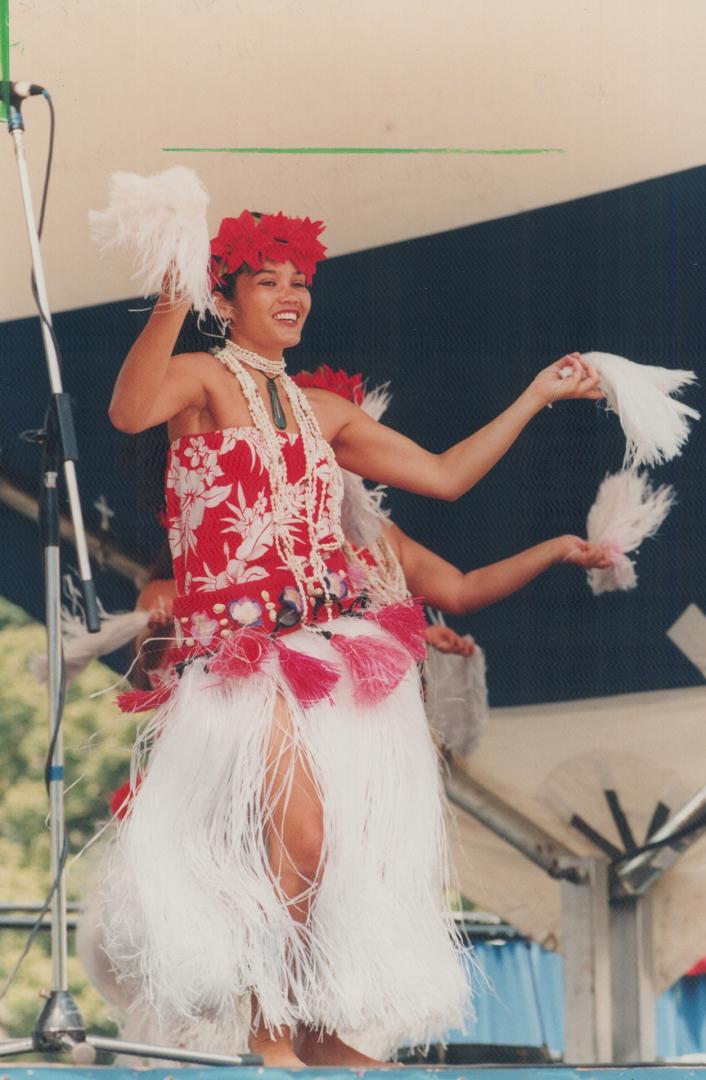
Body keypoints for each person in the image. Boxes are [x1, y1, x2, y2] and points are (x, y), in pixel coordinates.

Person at [97, 209, 604, 1067]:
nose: (293, 294)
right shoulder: (200, 379)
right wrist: (170, 303)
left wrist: (536, 395)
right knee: (290, 835)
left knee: (336, 850)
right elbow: (128, 409)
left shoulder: (322, 410)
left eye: (301, 283)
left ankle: (318, 1027)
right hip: (237, 658)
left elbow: (443, 477)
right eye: (270, 281)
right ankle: (269, 1030)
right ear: (225, 298)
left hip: (327, 651)